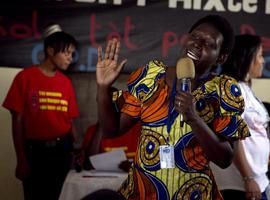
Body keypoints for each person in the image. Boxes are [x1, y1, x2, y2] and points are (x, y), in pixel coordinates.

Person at [95, 14, 250, 199]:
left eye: (209, 44)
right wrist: (103, 88)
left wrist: (194, 117)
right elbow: (111, 131)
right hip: (143, 192)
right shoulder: (151, 76)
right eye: (195, 36)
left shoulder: (223, 90)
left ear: (221, 58)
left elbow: (225, 159)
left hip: (193, 193)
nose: (197, 44)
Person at [2, 24, 79, 200]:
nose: (70, 58)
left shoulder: (66, 82)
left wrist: (75, 150)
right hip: (35, 153)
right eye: (66, 53)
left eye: (72, 54)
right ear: (51, 51)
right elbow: (17, 121)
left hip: (62, 151)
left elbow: (70, 121)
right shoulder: (25, 77)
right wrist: (21, 159)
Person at [211, 34, 270, 200]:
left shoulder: (245, 88)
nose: (263, 61)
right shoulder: (232, 89)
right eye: (259, 55)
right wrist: (248, 177)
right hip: (239, 183)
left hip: (257, 179)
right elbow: (233, 136)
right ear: (246, 58)